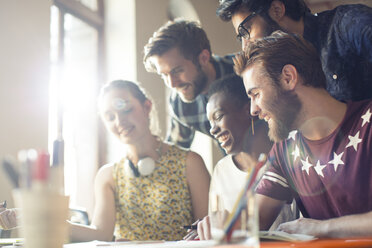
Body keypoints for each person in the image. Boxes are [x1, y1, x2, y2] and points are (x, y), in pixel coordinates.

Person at [232, 30, 372, 238]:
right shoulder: (284, 152)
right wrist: (218, 226)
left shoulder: (368, 121)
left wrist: (323, 228)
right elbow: (250, 224)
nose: (253, 110)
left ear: (288, 78)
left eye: (256, 94)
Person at [69, 80, 210, 241]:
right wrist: (62, 225)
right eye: (109, 117)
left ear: (147, 107)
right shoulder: (108, 176)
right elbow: (102, 234)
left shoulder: (190, 163)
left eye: (126, 110)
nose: (119, 121)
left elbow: (205, 232)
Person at [194, 75, 297, 240]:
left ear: (248, 110)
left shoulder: (287, 157)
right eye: (210, 123)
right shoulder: (222, 170)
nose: (212, 130)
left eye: (219, 117)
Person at [216, 0, 372, 102]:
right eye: (240, 37)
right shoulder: (284, 74)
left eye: (246, 30)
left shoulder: (348, 24)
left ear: (276, 10)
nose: (245, 46)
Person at [143, 19, 238, 149]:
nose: (172, 83)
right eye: (164, 75)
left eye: (177, 71)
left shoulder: (246, 70)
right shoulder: (179, 104)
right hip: (234, 166)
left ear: (203, 58)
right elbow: (175, 153)